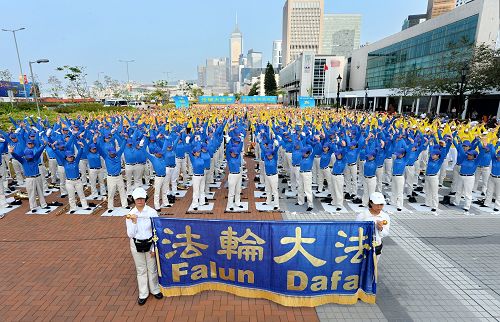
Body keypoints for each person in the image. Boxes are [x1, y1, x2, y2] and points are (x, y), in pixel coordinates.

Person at [125, 187, 163, 305]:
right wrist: (134, 222)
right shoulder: (130, 214)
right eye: (137, 199)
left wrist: (153, 248)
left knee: (152, 268)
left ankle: (155, 289)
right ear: (134, 200)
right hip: (136, 244)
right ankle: (143, 293)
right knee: (141, 269)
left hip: (150, 243)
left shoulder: (152, 212)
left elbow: (157, 230)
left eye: (142, 198)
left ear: (145, 199)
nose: (140, 201)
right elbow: (130, 234)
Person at [356, 192, 390, 261]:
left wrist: (381, 228)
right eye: (377, 204)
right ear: (371, 203)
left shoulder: (385, 216)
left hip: (377, 245)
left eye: (381, 204)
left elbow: (386, 233)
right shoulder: (362, 215)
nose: (379, 207)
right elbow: (356, 230)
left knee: (374, 266)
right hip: (363, 244)